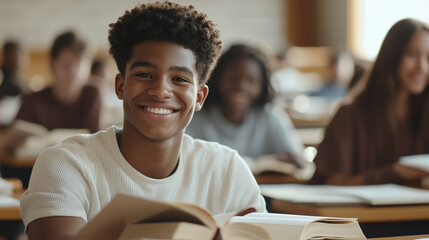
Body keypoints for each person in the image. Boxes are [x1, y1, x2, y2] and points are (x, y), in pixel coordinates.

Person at [20, 2, 266, 239]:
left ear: (199, 97)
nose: (160, 91)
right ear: (120, 86)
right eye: (145, 74)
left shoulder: (228, 172)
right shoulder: (66, 165)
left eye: (179, 79)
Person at [311, 18, 429, 185]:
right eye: (412, 54)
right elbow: (333, 181)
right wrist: (395, 173)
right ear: (391, 55)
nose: (422, 67)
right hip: (357, 212)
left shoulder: (424, 116)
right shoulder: (349, 116)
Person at [186, 44, 313, 179]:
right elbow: (189, 161)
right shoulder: (196, 117)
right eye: (233, 78)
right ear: (216, 78)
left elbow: (297, 160)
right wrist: (263, 162)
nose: (241, 86)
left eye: (251, 81)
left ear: (262, 86)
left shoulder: (270, 116)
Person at [14, 31, 102, 133]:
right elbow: (12, 137)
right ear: (52, 63)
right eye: (66, 64)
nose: (73, 71)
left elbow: (98, 139)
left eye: (79, 64)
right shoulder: (33, 99)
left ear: (89, 65)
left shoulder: (92, 94)